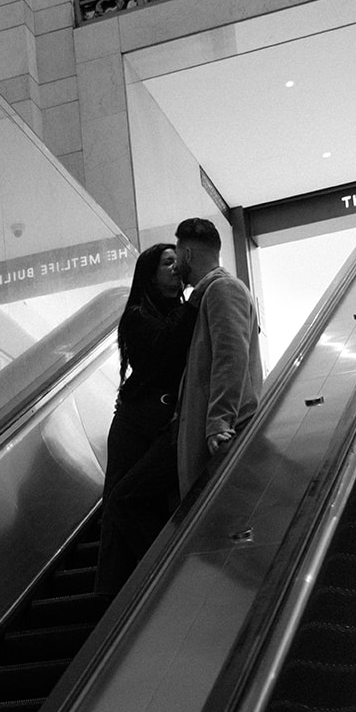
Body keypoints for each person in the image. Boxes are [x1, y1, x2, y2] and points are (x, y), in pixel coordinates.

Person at [95, 242, 197, 594]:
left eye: (177, 262)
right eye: (167, 262)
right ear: (150, 275)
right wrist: (198, 299)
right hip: (134, 422)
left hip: (163, 422)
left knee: (131, 499)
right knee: (116, 505)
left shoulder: (186, 310)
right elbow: (164, 348)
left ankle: (153, 580)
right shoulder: (138, 315)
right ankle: (113, 596)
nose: (175, 267)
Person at [173, 216, 263, 496]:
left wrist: (220, 421)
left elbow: (230, 357)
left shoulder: (224, 289)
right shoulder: (207, 295)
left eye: (177, 254)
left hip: (224, 435)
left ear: (187, 253)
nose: (176, 265)